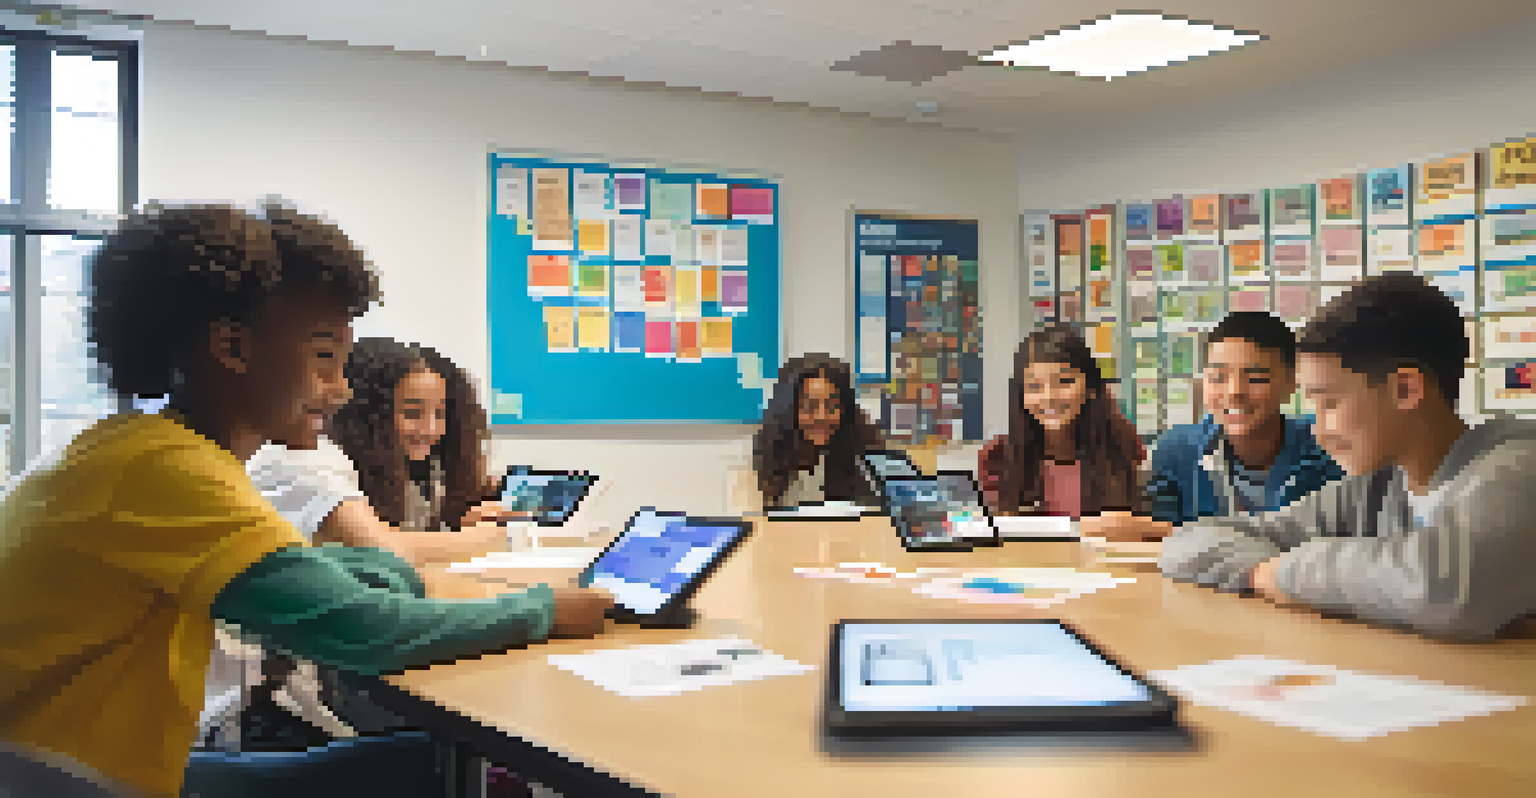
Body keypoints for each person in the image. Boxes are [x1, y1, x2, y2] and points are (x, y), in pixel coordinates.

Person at [0, 202, 613, 798]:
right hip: (72, 783)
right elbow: (367, 631)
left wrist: (380, 572)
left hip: (76, 767)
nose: (342, 390)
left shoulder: (137, 450)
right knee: (445, 767)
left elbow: (291, 575)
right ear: (233, 349)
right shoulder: (165, 469)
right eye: (324, 359)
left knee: (428, 760)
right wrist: (543, 610)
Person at [1160, 274, 1536, 640]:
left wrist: (1279, 576)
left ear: (1406, 389)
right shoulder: (1376, 489)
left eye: (1330, 403)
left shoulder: (1519, 466)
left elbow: (1443, 588)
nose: (1318, 431)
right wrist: (1262, 571)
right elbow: (1189, 542)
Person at [1102, 312, 1346, 541]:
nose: (1234, 392)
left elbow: (1340, 540)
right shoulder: (1176, 452)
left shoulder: (1329, 445)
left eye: (1255, 378)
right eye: (1218, 377)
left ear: (1292, 383)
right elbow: (1162, 545)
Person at [978, 323, 1145, 519]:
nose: (1049, 397)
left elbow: (1144, 524)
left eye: (1064, 382)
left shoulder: (1123, 445)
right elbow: (1000, 529)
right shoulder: (997, 457)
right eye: (1034, 386)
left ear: (1091, 387)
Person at [751, 353, 885, 508]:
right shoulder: (766, 451)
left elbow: (879, 510)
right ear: (788, 409)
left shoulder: (864, 447)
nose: (822, 417)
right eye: (810, 406)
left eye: (832, 406)